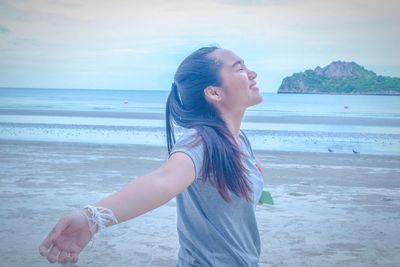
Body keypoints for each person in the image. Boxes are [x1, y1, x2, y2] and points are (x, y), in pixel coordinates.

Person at [39, 46, 265, 266]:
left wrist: (254, 184)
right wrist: (92, 218)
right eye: (239, 68)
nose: (252, 73)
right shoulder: (201, 142)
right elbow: (163, 181)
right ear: (214, 92)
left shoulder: (238, 140)